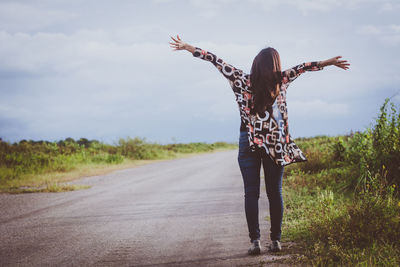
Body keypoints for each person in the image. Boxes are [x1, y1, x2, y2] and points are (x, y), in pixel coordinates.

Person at [169, 35, 350, 254]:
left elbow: (215, 60)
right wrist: (327, 63)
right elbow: (303, 67)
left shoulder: (241, 79)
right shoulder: (281, 80)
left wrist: (188, 47)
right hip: (275, 143)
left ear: (255, 64)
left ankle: (255, 242)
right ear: (276, 64)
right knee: (275, 193)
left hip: (249, 141)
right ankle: (276, 241)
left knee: (251, 193)